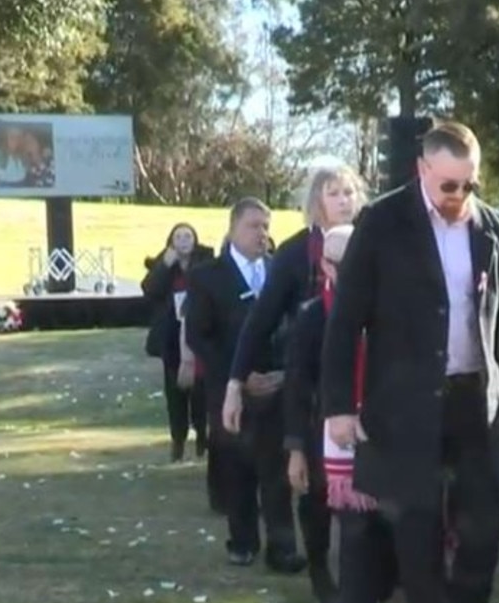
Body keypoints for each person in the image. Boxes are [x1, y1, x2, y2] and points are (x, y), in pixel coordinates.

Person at [321, 121, 499, 603]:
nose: (459, 196)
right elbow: (345, 322)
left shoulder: (491, 227)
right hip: (404, 404)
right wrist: (338, 404)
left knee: (484, 529)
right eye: (449, 185)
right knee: (417, 533)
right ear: (423, 171)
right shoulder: (382, 224)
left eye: (469, 184)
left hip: (472, 402)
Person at [284, 224, 398, 603]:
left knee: (392, 532)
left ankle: (378, 595)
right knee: (355, 532)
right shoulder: (314, 316)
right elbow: (296, 386)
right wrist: (295, 448)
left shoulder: (394, 308)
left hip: (391, 433)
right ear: (324, 265)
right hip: (337, 442)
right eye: (338, 262)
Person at [184, 198, 305, 573]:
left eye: (266, 226)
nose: (262, 234)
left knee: (277, 473)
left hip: (276, 389)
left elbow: (295, 327)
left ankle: (282, 549)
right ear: (233, 229)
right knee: (237, 469)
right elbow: (200, 336)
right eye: (254, 226)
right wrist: (237, 376)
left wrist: (285, 372)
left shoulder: (278, 271)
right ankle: (243, 542)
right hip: (230, 391)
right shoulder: (208, 276)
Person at [222, 165, 362, 433]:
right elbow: (261, 319)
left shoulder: (373, 242)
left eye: (349, 192)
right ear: (316, 201)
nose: (344, 200)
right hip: (312, 386)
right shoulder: (294, 253)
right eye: (333, 194)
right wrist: (235, 383)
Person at [141, 223, 214, 464]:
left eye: (188, 235)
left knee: (201, 392)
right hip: (172, 337)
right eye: (178, 236)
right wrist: (165, 265)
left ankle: (203, 438)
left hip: (199, 333)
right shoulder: (165, 262)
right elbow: (149, 290)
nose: (184, 240)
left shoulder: (205, 260)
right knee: (175, 393)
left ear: (195, 240)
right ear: (171, 241)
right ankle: (178, 440)